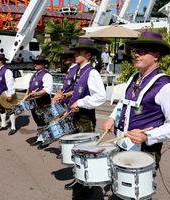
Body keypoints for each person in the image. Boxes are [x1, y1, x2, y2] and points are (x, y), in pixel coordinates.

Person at [103, 32, 170, 193]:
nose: (137, 55)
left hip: (145, 149)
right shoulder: (133, 78)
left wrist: (147, 136)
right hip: (123, 144)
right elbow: (123, 103)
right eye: (136, 51)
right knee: (122, 189)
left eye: (143, 51)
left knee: (138, 193)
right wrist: (112, 118)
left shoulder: (166, 86)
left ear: (156, 56)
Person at [63, 38, 106, 200]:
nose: (75, 55)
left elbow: (100, 97)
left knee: (86, 151)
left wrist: (81, 102)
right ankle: (79, 179)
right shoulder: (80, 71)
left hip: (85, 118)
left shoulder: (92, 72)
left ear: (87, 55)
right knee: (78, 151)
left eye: (79, 53)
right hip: (77, 117)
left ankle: (88, 184)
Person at [27, 55, 53, 149]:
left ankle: (46, 139)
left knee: (44, 121)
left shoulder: (46, 75)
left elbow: (48, 90)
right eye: (35, 63)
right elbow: (29, 87)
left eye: (37, 63)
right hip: (35, 101)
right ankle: (40, 137)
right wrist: (27, 95)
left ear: (43, 64)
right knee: (38, 121)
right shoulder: (35, 75)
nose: (35, 64)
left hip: (43, 101)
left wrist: (37, 93)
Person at [0, 53, 17, 136]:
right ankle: (3, 125)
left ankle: (13, 127)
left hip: (5, 94)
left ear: (1, 61)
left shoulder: (7, 71)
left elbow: (10, 84)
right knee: (1, 110)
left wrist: (10, 95)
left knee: (10, 110)